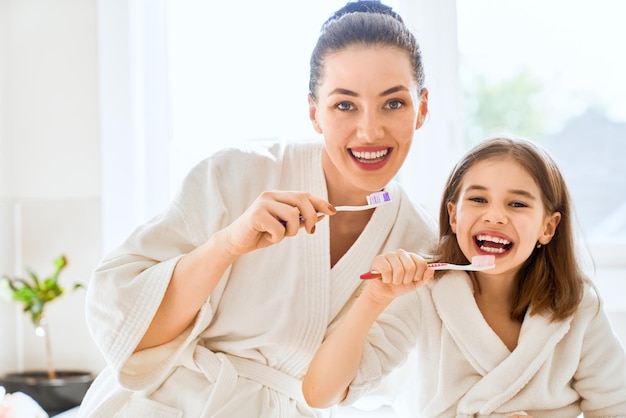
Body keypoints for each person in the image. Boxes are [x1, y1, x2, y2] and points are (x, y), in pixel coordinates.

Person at [77, 1, 438, 417]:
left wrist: (374, 298)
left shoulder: (420, 245)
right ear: (313, 112)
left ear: (422, 108)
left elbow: (327, 391)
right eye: (344, 105)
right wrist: (228, 245)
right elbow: (130, 329)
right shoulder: (236, 173)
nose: (370, 130)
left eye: (393, 103)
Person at [303, 136, 626, 417]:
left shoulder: (577, 304)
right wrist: (373, 299)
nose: (495, 215)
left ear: (548, 227)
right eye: (478, 199)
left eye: (517, 204)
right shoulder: (424, 291)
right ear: (454, 216)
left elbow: (616, 407)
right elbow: (321, 393)